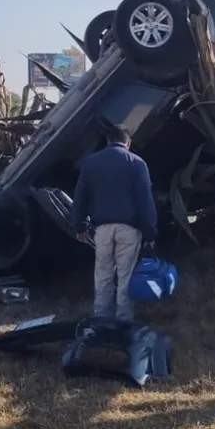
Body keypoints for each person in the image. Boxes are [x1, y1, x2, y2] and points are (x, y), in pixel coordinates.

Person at [70, 125, 158, 321]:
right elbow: (145, 200)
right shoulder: (137, 163)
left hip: (101, 229)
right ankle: (124, 319)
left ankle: (101, 318)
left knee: (103, 274)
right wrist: (150, 232)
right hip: (129, 228)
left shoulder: (91, 163)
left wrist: (79, 226)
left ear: (108, 141)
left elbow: (80, 197)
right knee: (125, 275)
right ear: (128, 142)